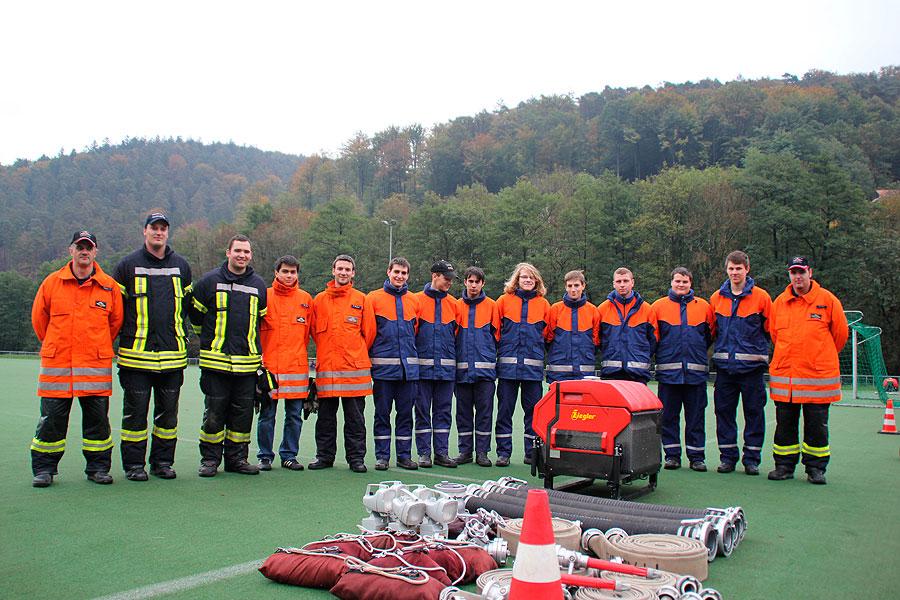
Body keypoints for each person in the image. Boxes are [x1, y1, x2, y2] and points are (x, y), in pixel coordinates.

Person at [30, 230, 124, 487]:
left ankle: (98, 469)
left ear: (95, 252)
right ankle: (44, 470)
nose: (84, 251)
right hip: (58, 367)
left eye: (89, 247)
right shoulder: (52, 283)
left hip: (94, 367)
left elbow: (115, 323)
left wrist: (95, 347)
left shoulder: (109, 286)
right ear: (71, 250)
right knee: (51, 422)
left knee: (97, 424)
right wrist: (56, 345)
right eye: (79, 246)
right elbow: (40, 321)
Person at [113, 211, 192, 481]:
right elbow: (115, 310)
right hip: (136, 358)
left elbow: (188, 308)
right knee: (135, 417)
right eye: (154, 228)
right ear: (144, 231)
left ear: (167, 233)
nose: (158, 232)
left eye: (163, 228)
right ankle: (134, 465)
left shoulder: (182, 266)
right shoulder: (127, 265)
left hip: (172, 357)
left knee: (168, 417)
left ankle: (162, 463)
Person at [189, 234, 267, 477]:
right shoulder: (209, 281)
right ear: (228, 252)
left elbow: (259, 322)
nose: (242, 255)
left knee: (242, 417)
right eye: (238, 251)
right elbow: (196, 318)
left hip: (246, 365)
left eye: (246, 251)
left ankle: (237, 459)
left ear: (250, 255)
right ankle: (210, 460)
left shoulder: (259, 285)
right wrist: (212, 343)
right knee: (214, 414)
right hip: (216, 364)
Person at [767, 256, 848, 485]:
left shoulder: (828, 301)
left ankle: (816, 468)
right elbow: (775, 335)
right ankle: (784, 465)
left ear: (810, 272)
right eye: (793, 272)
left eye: (801, 272)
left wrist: (817, 357)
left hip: (817, 380)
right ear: (789, 275)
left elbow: (839, 336)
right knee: (785, 426)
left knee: (817, 427)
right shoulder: (780, 302)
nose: (797, 277)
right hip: (787, 381)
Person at [309, 254, 375, 473]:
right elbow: (314, 332)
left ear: (353, 273)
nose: (343, 272)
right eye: (340, 268)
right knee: (325, 420)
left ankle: (356, 459)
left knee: (355, 420)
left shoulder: (361, 299)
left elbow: (370, 333)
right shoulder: (318, 300)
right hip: (327, 371)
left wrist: (353, 355)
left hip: (353, 373)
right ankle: (324, 457)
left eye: (348, 269)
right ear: (333, 270)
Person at [709, 250, 772, 476]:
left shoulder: (762, 297)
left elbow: (770, 331)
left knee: (754, 413)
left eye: (739, 268)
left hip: (752, 370)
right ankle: (728, 458)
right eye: (731, 268)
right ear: (726, 270)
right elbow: (712, 330)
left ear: (747, 269)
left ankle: (752, 459)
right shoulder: (717, 298)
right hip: (725, 370)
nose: (735, 272)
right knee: (723, 413)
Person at [652, 267, 716, 472]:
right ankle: (672, 456)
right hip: (668, 375)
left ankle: (696, 457)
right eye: (678, 281)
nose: (681, 285)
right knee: (668, 416)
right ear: (671, 283)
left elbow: (710, 335)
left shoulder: (704, 307)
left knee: (695, 416)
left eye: (685, 282)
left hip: (695, 375)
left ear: (691, 284)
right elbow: (654, 338)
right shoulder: (658, 307)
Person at [255, 255, 314, 472]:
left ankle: (289, 455)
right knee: (267, 415)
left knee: (294, 416)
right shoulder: (264, 296)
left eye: (293, 272)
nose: (289, 276)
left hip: (297, 369)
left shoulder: (306, 299)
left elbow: (310, 332)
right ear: (276, 273)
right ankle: (265, 456)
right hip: (270, 369)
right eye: (285, 271)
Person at [495, 262, 551, 466]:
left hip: (532, 371)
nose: (527, 280)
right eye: (523, 277)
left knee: (533, 413)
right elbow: (496, 333)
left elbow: (548, 335)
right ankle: (503, 453)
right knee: (504, 412)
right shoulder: (503, 301)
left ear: (537, 281)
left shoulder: (544, 305)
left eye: (531, 277)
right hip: (508, 370)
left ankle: (531, 453)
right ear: (516, 280)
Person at [368, 257, 420, 471]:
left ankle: (404, 456)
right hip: (383, 371)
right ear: (388, 272)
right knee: (382, 414)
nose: (400, 276)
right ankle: (382, 456)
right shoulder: (373, 298)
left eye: (404, 273)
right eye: (396, 271)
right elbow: (370, 332)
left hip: (408, 372)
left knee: (406, 415)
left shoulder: (414, 301)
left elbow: (415, 333)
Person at [414, 260, 460, 468]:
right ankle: (424, 453)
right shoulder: (416, 301)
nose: (450, 282)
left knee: (443, 412)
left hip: (446, 371)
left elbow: (457, 335)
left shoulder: (454, 304)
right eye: (446, 278)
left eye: (451, 278)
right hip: (423, 371)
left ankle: (441, 453)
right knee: (422, 411)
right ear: (434, 275)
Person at [454, 266, 500, 467]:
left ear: (483, 284)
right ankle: (465, 451)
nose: (473, 285)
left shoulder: (492, 306)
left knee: (484, 413)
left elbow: (497, 336)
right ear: (465, 282)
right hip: (461, 372)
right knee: (463, 413)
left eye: (477, 281)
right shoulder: (456, 306)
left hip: (485, 373)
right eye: (470, 281)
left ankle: (482, 452)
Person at [596, 267, 658, 383]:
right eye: (619, 281)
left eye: (626, 281)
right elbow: (597, 339)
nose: (622, 285)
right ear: (614, 284)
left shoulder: (647, 309)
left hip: (638, 374)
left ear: (632, 282)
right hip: (611, 373)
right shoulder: (602, 309)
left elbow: (654, 341)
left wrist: (640, 356)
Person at [544, 270, 600, 384]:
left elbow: (596, 341)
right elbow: (548, 338)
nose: (573, 289)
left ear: (583, 286)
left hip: (584, 373)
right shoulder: (555, 309)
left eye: (576, 285)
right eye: (569, 286)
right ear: (565, 287)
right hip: (558, 373)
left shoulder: (593, 310)